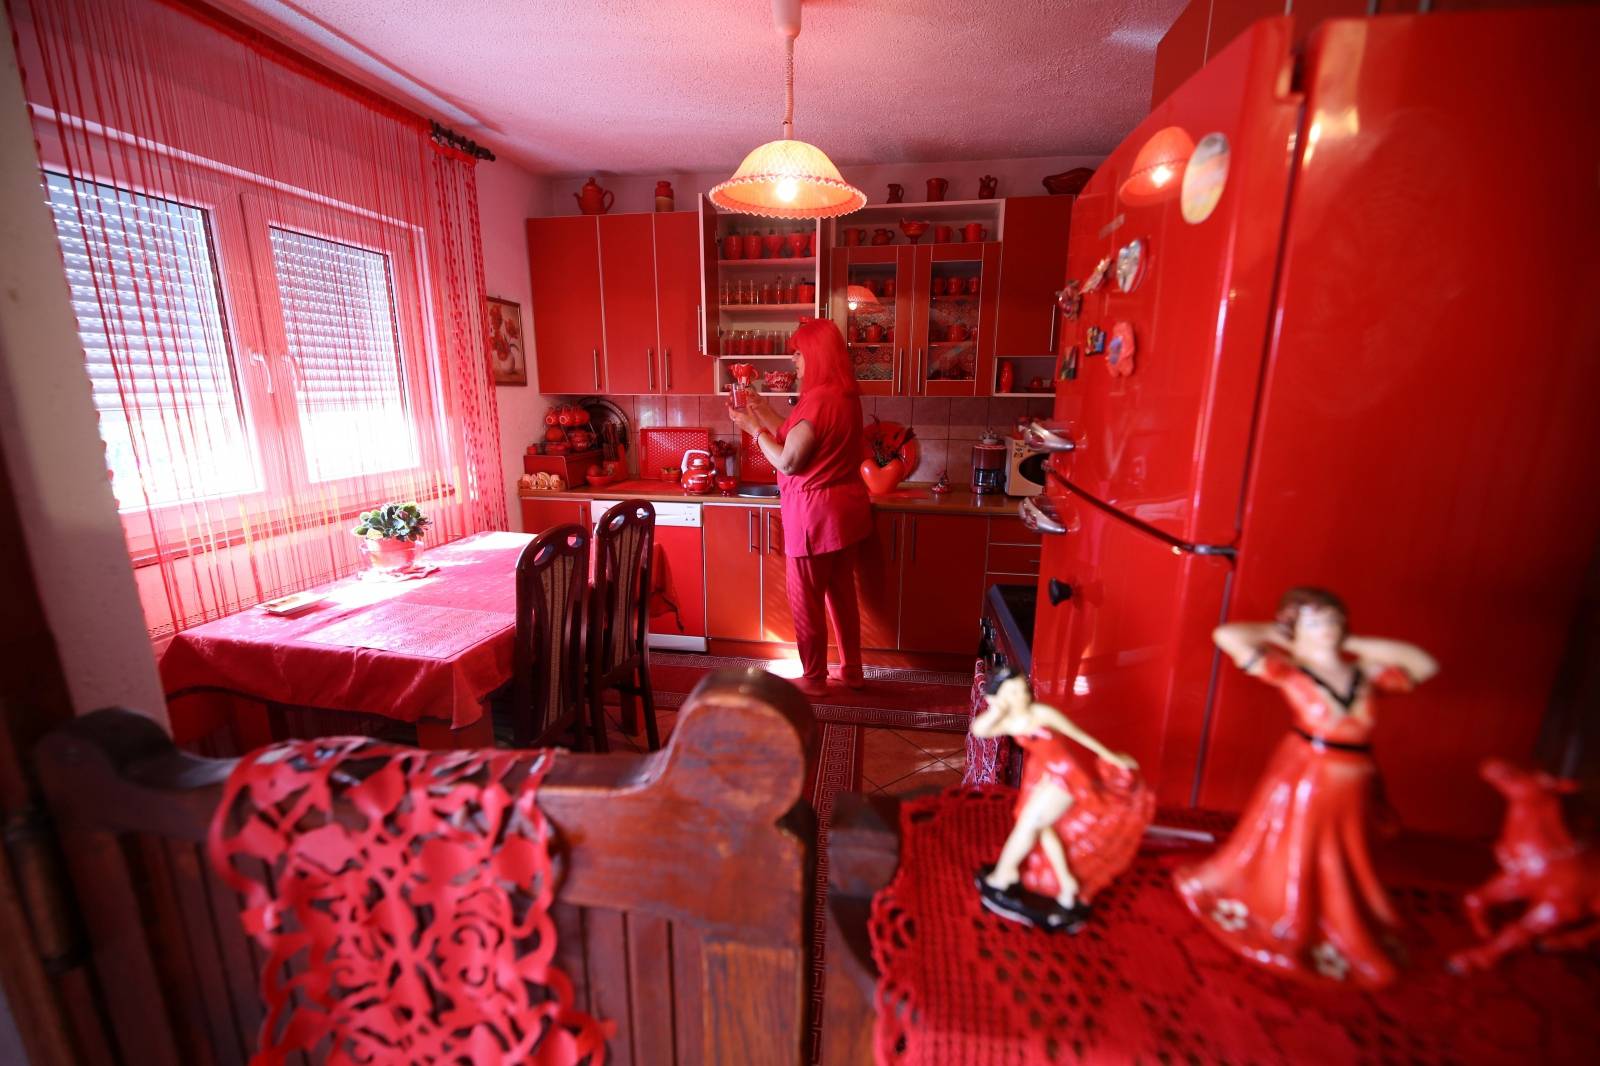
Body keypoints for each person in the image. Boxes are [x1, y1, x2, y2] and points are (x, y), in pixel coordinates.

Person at [1176, 587, 1439, 988]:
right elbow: (1227, 637)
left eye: (1334, 619)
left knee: (1346, 848)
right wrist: (1286, 635)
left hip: (1355, 775)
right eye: (1316, 621)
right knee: (1299, 844)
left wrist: (1351, 642)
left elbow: (1423, 663)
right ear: (1296, 629)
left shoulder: (1365, 672)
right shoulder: (1290, 670)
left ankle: (1337, 917)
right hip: (1309, 771)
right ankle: (1285, 912)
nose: (1328, 628)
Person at [728, 319, 870, 698]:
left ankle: (813, 679)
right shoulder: (841, 395)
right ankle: (852, 672)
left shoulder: (819, 399)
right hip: (845, 513)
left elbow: (789, 461)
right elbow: (796, 432)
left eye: (798, 352)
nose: (793, 359)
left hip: (814, 517)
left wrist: (750, 429)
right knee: (842, 597)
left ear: (817, 355)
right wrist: (759, 410)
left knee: (805, 601)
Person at [971, 670, 1151, 931]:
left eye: (1022, 689)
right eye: (1012, 692)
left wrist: (1109, 755)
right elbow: (980, 730)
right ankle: (1066, 885)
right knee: (1039, 828)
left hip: (1065, 776)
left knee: (1028, 825)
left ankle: (1004, 875)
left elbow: (1079, 736)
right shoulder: (1011, 720)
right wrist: (997, 707)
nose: (1021, 696)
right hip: (1042, 776)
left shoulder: (1041, 713)